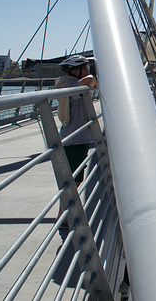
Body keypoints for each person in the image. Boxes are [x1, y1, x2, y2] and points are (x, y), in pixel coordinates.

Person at [55, 55, 97, 228]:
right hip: (73, 139)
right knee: (73, 179)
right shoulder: (65, 83)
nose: (87, 72)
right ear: (74, 70)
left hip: (80, 138)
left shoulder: (73, 82)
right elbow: (90, 81)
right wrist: (91, 77)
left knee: (75, 178)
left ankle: (64, 216)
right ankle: (63, 217)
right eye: (85, 69)